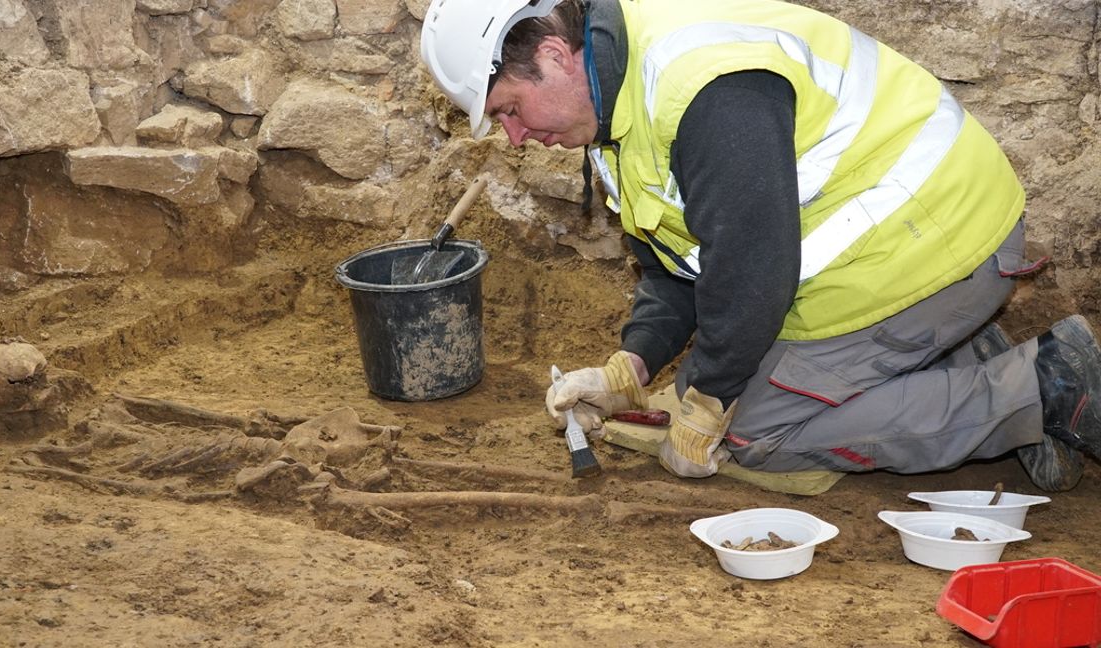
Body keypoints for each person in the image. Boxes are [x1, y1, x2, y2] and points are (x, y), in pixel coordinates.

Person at [419, 0, 1101, 491]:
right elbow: (683, 258)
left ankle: (1041, 391)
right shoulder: (614, 99)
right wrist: (631, 368)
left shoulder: (698, 88)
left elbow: (751, 274)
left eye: (509, 109)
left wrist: (711, 402)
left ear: (552, 54)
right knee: (714, 384)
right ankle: (960, 352)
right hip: (902, 241)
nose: (513, 137)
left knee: (755, 434)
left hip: (936, 241)